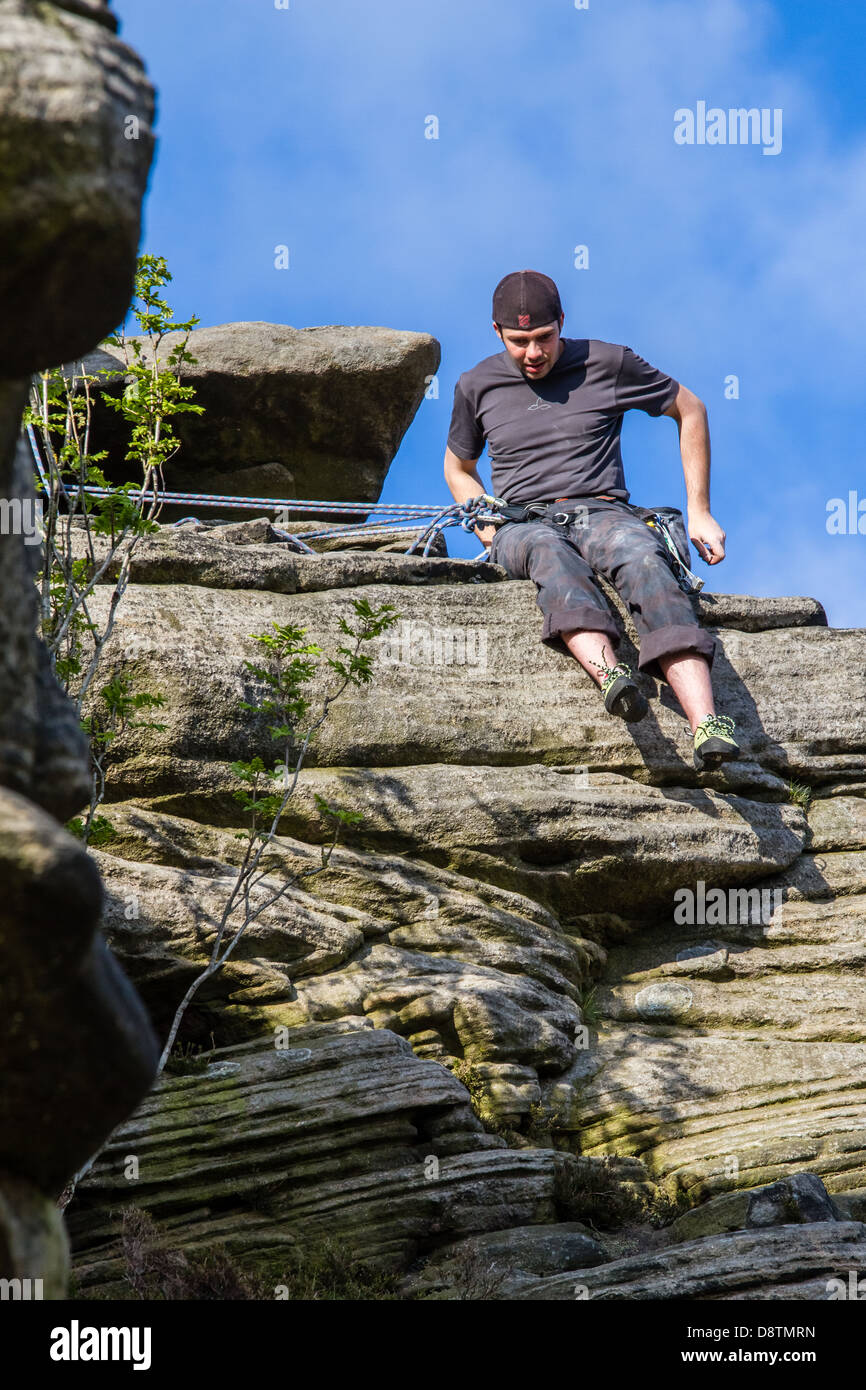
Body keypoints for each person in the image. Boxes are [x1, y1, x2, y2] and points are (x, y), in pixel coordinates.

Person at [443, 268, 740, 770]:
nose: (533, 352)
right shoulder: (476, 385)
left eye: (543, 337)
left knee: (644, 557)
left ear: (562, 322)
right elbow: (458, 467)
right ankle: (612, 679)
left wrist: (700, 510)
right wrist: (488, 527)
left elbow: (690, 408)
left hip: (602, 508)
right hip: (523, 522)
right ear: (497, 333)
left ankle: (706, 725)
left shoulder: (608, 361)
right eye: (519, 342)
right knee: (547, 554)